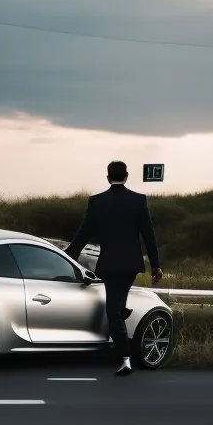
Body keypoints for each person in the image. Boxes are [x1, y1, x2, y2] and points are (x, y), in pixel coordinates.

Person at [65, 160, 163, 376]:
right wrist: (156, 266)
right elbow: (149, 236)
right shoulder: (139, 201)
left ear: (107, 177)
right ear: (126, 176)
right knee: (117, 305)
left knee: (112, 311)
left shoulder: (96, 202)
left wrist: (65, 257)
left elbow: (83, 234)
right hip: (130, 265)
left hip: (109, 265)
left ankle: (125, 358)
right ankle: (122, 314)